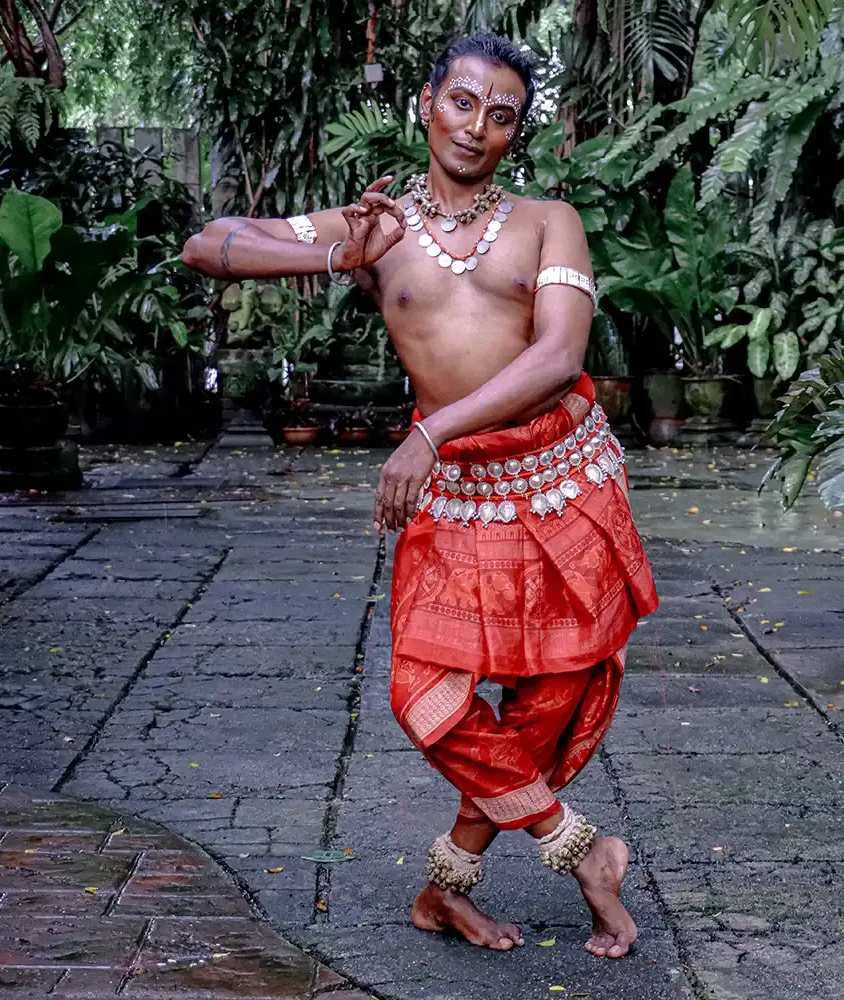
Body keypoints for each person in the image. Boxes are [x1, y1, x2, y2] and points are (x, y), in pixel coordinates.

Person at [182, 32, 658, 959]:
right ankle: (583, 852)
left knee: (552, 695)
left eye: (502, 114)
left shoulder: (548, 220)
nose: (477, 127)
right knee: (423, 696)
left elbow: (559, 356)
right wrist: (338, 253)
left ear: (518, 131)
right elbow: (210, 246)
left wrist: (429, 432)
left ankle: (444, 890)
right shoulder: (380, 227)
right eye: (462, 102)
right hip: (460, 502)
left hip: (561, 479)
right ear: (428, 102)